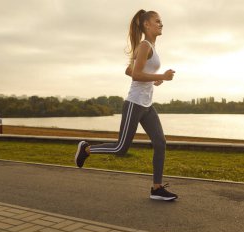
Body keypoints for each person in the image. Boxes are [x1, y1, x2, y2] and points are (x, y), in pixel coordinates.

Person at [75, 9, 178, 201]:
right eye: (158, 21)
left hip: (147, 104)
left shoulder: (151, 47)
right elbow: (136, 74)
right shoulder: (145, 45)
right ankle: (86, 149)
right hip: (134, 103)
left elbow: (129, 70)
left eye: (161, 21)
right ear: (147, 24)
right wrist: (161, 76)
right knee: (120, 148)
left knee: (160, 143)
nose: (161, 24)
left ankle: (156, 188)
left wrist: (155, 80)